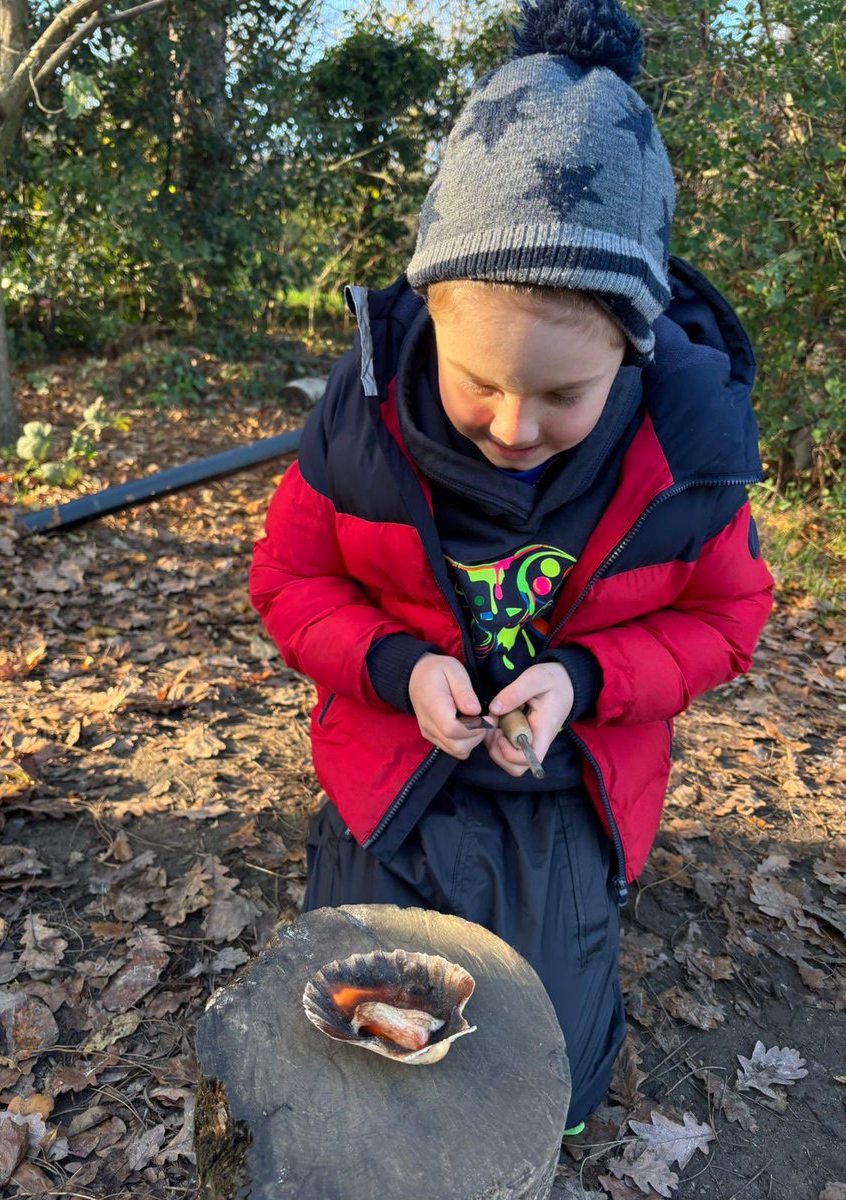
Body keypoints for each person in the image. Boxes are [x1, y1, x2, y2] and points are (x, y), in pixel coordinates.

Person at [248, 0, 774, 1133]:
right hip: (395, 765)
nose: (513, 424)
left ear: (629, 355)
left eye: (564, 396)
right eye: (478, 380)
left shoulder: (686, 456)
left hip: (562, 785)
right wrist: (394, 668)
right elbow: (291, 585)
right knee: (356, 1042)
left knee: (550, 1085)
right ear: (431, 316)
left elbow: (726, 622)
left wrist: (585, 680)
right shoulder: (363, 424)